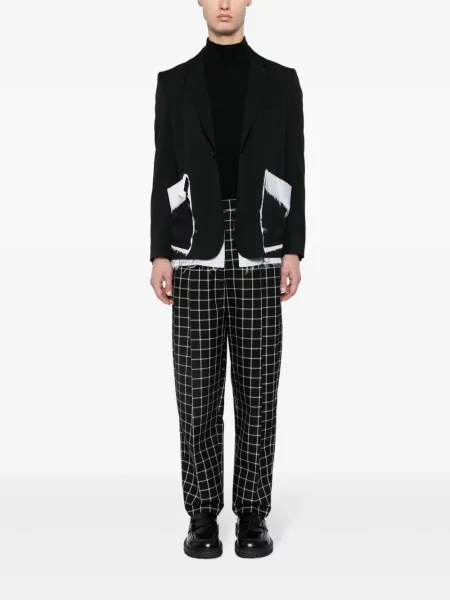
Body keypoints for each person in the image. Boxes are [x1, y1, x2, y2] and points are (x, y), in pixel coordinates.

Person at [149, 0, 305, 559]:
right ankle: (201, 514)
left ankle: (253, 513)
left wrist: (294, 248)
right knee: (197, 390)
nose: (223, 3)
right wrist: (158, 252)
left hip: (261, 244)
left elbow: (295, 165)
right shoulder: (173, 83)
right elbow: (163, 168)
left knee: (259, 387)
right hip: (194, 246)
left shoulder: (282, 82)